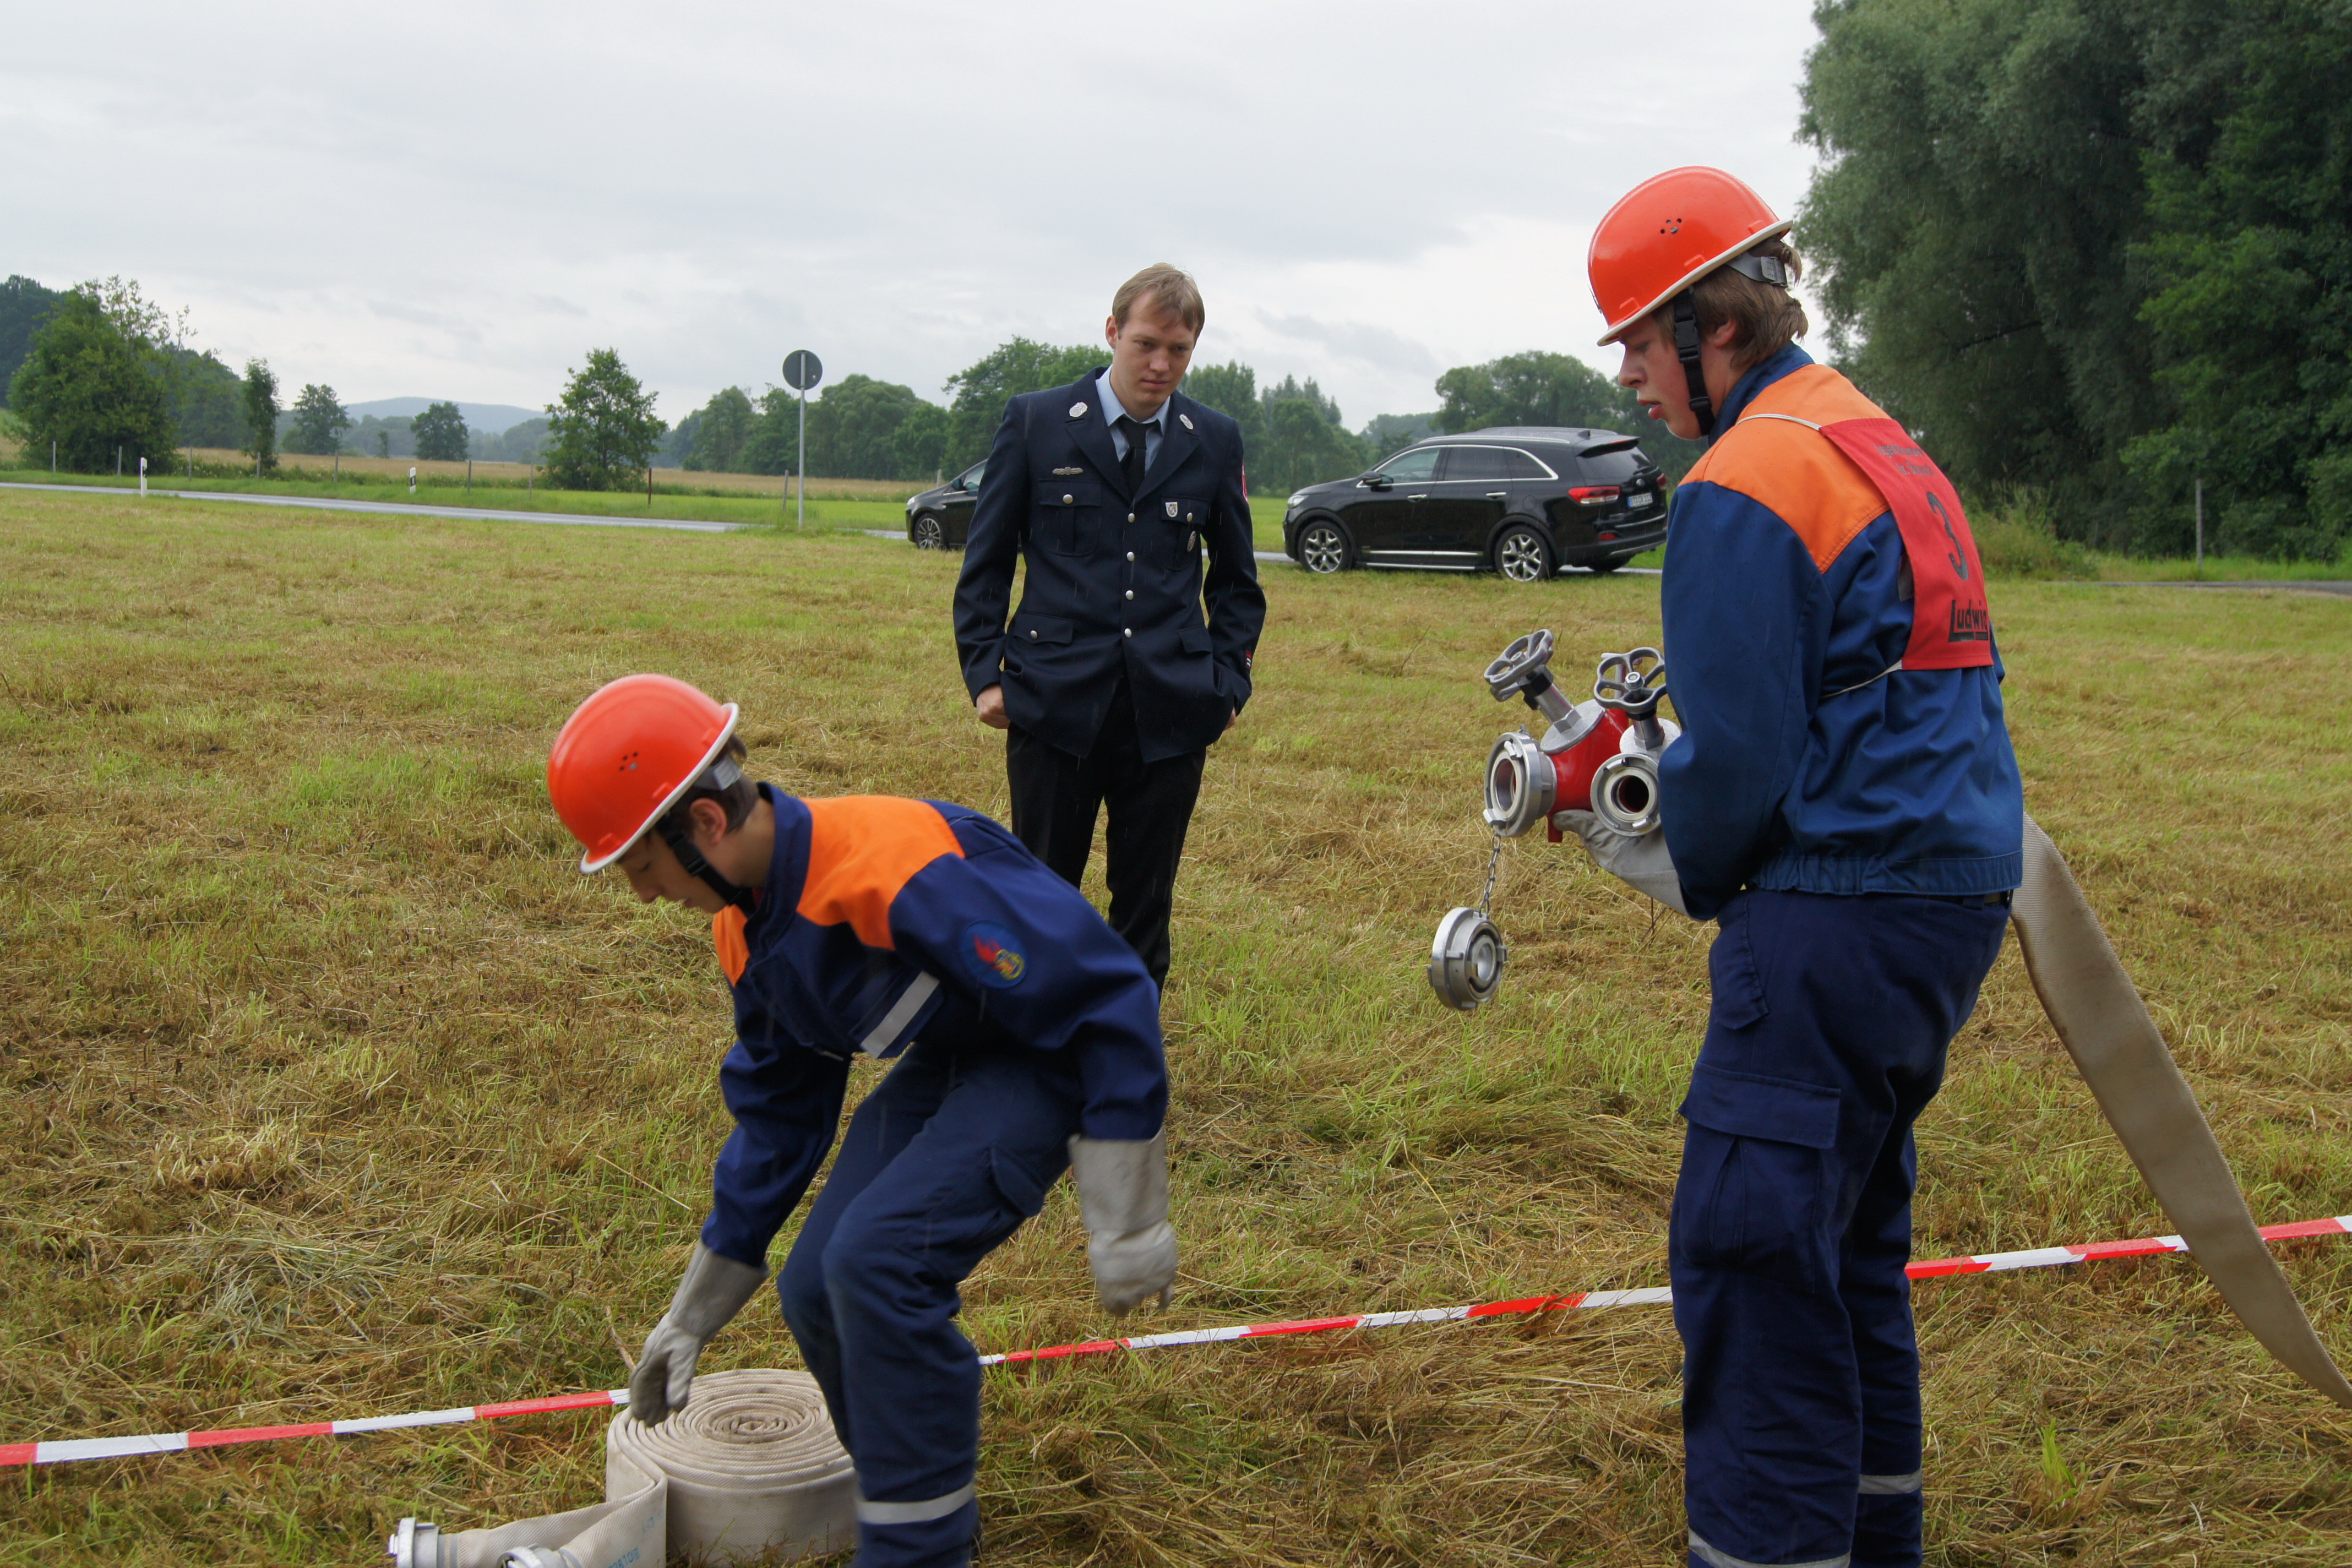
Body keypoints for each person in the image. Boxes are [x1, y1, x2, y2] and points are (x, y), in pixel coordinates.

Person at [1560, 167, 2024, 1568]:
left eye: (1640, 342)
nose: (1631, 376)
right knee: (1848, 1251)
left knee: (1755, 1259)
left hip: (1834, 920)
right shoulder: (1876, 437)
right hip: (1946, 905)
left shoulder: (1746, 477)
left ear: (1712, 323)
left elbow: (1744, 762)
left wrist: (1642, 832)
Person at [546, 673, 1178, 1568]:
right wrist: (692, 1316)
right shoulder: (745, 932)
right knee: (815, 1289)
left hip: (1053, 1057)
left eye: (642, 868)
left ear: (706, 825)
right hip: (957, 1058)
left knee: (877, 1264)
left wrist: (1130, 1216)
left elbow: (1106, 997)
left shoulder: (893, 865)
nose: (645, 895)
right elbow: (779, 1119)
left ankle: (918, 1548)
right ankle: (914, 1494)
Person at [952, 263, 1266, 992]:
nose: (1161, 365)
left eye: (1179, 350)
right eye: (1146, 344)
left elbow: (1237, 582)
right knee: (1040, 902)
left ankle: (1127, 1053)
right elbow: (987, 563)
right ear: (1112, 332)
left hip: (1170, 709)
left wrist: (1229, 684)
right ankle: (1037, 1050)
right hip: (1053, 702)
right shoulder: (1036, 422)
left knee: (1145, 908)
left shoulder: (1214, 439)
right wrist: (984, 674)